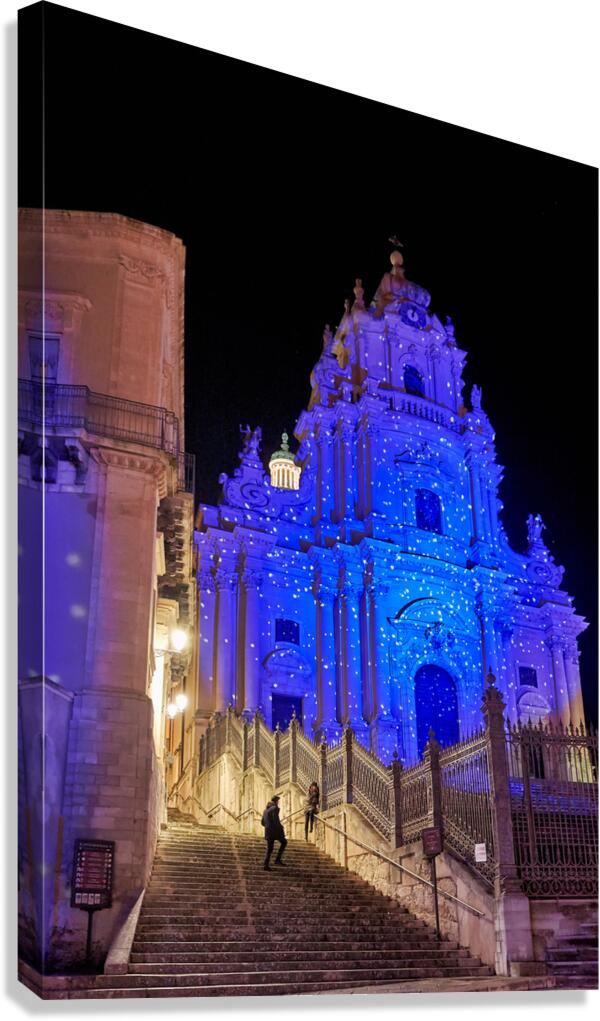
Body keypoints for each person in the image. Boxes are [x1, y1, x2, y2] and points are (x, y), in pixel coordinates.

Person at [261, 794, 287, 871]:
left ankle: (266, 865)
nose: (278, 803)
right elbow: (276, 820)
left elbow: (262, 822)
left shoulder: (265, 810)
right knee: (284, 842)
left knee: (269, 848)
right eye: (278, 801)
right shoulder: (274, 808)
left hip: (268, 831)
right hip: (274, 831)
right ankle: (277, 859)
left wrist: (267, 826)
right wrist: (280, 827)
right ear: (276, 801)